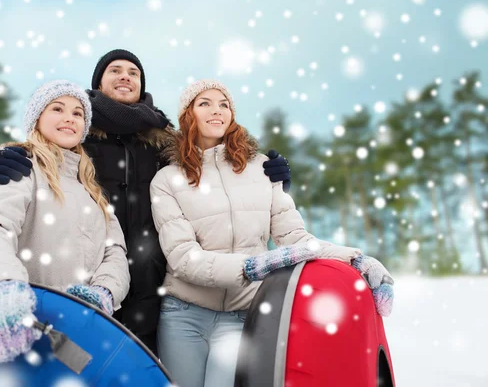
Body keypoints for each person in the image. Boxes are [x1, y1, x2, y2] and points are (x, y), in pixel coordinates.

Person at [0, 49, 292, 355]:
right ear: (98, 84)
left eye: (133, 72)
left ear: (142, 85)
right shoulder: (74, 138)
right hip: (76, 282)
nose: (125, 76)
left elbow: (210, 184)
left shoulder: (166, 144)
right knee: (80, 364)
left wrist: (263, 178)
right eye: (114, 70)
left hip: (150, 285)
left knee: (132, 370)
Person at [149, 79, 394, 387]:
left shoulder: (262, 169)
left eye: (224, 104)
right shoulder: (166, 179)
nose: (217, 110)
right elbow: (183, 257)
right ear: (189, 115)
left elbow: (295, 238)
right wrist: (249, 267)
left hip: (242, 315)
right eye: (205, 103)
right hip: (183, 315)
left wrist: (355, 259)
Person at [0, 80, 130, 363]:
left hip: (73, 337)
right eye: (57, 108)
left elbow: (116, 253)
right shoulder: (20, 167)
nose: (69, 118)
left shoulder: (93, 191)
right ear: (37, 119)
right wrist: (2, 286)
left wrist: (104, 292)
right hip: (19, 323)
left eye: (78, 113)